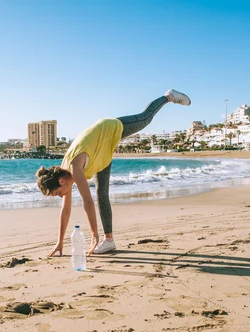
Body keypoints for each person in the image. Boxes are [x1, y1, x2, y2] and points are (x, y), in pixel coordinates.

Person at [36, 89, 191, 256]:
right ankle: (109, 241)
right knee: (102, 193)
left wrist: (94, 235)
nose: (60, 196)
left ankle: (168, 96)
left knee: (145, 118)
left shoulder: (74, 168)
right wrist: (60, 243)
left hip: (108, 130)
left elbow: (88, 203)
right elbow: (65, 211)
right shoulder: (64, 176)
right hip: (100, 155)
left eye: (57, 193)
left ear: (60, 182)